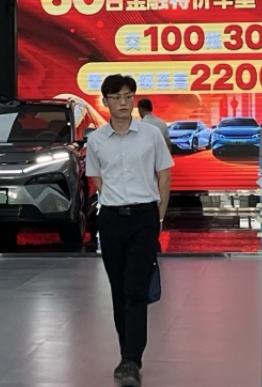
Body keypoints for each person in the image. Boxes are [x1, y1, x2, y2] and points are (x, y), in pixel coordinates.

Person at [86, 74, 173, 387]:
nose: (123, 102)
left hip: (144, 218)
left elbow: (164, 176)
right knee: (119, 290)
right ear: (106, 101)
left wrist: (157, 217)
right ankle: (127, 353)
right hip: (111, 220)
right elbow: (97, 179)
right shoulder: (96, 140)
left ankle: (131, 360)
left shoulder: (151, 135)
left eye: (128, 96)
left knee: (135, 289)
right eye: (116, 97)